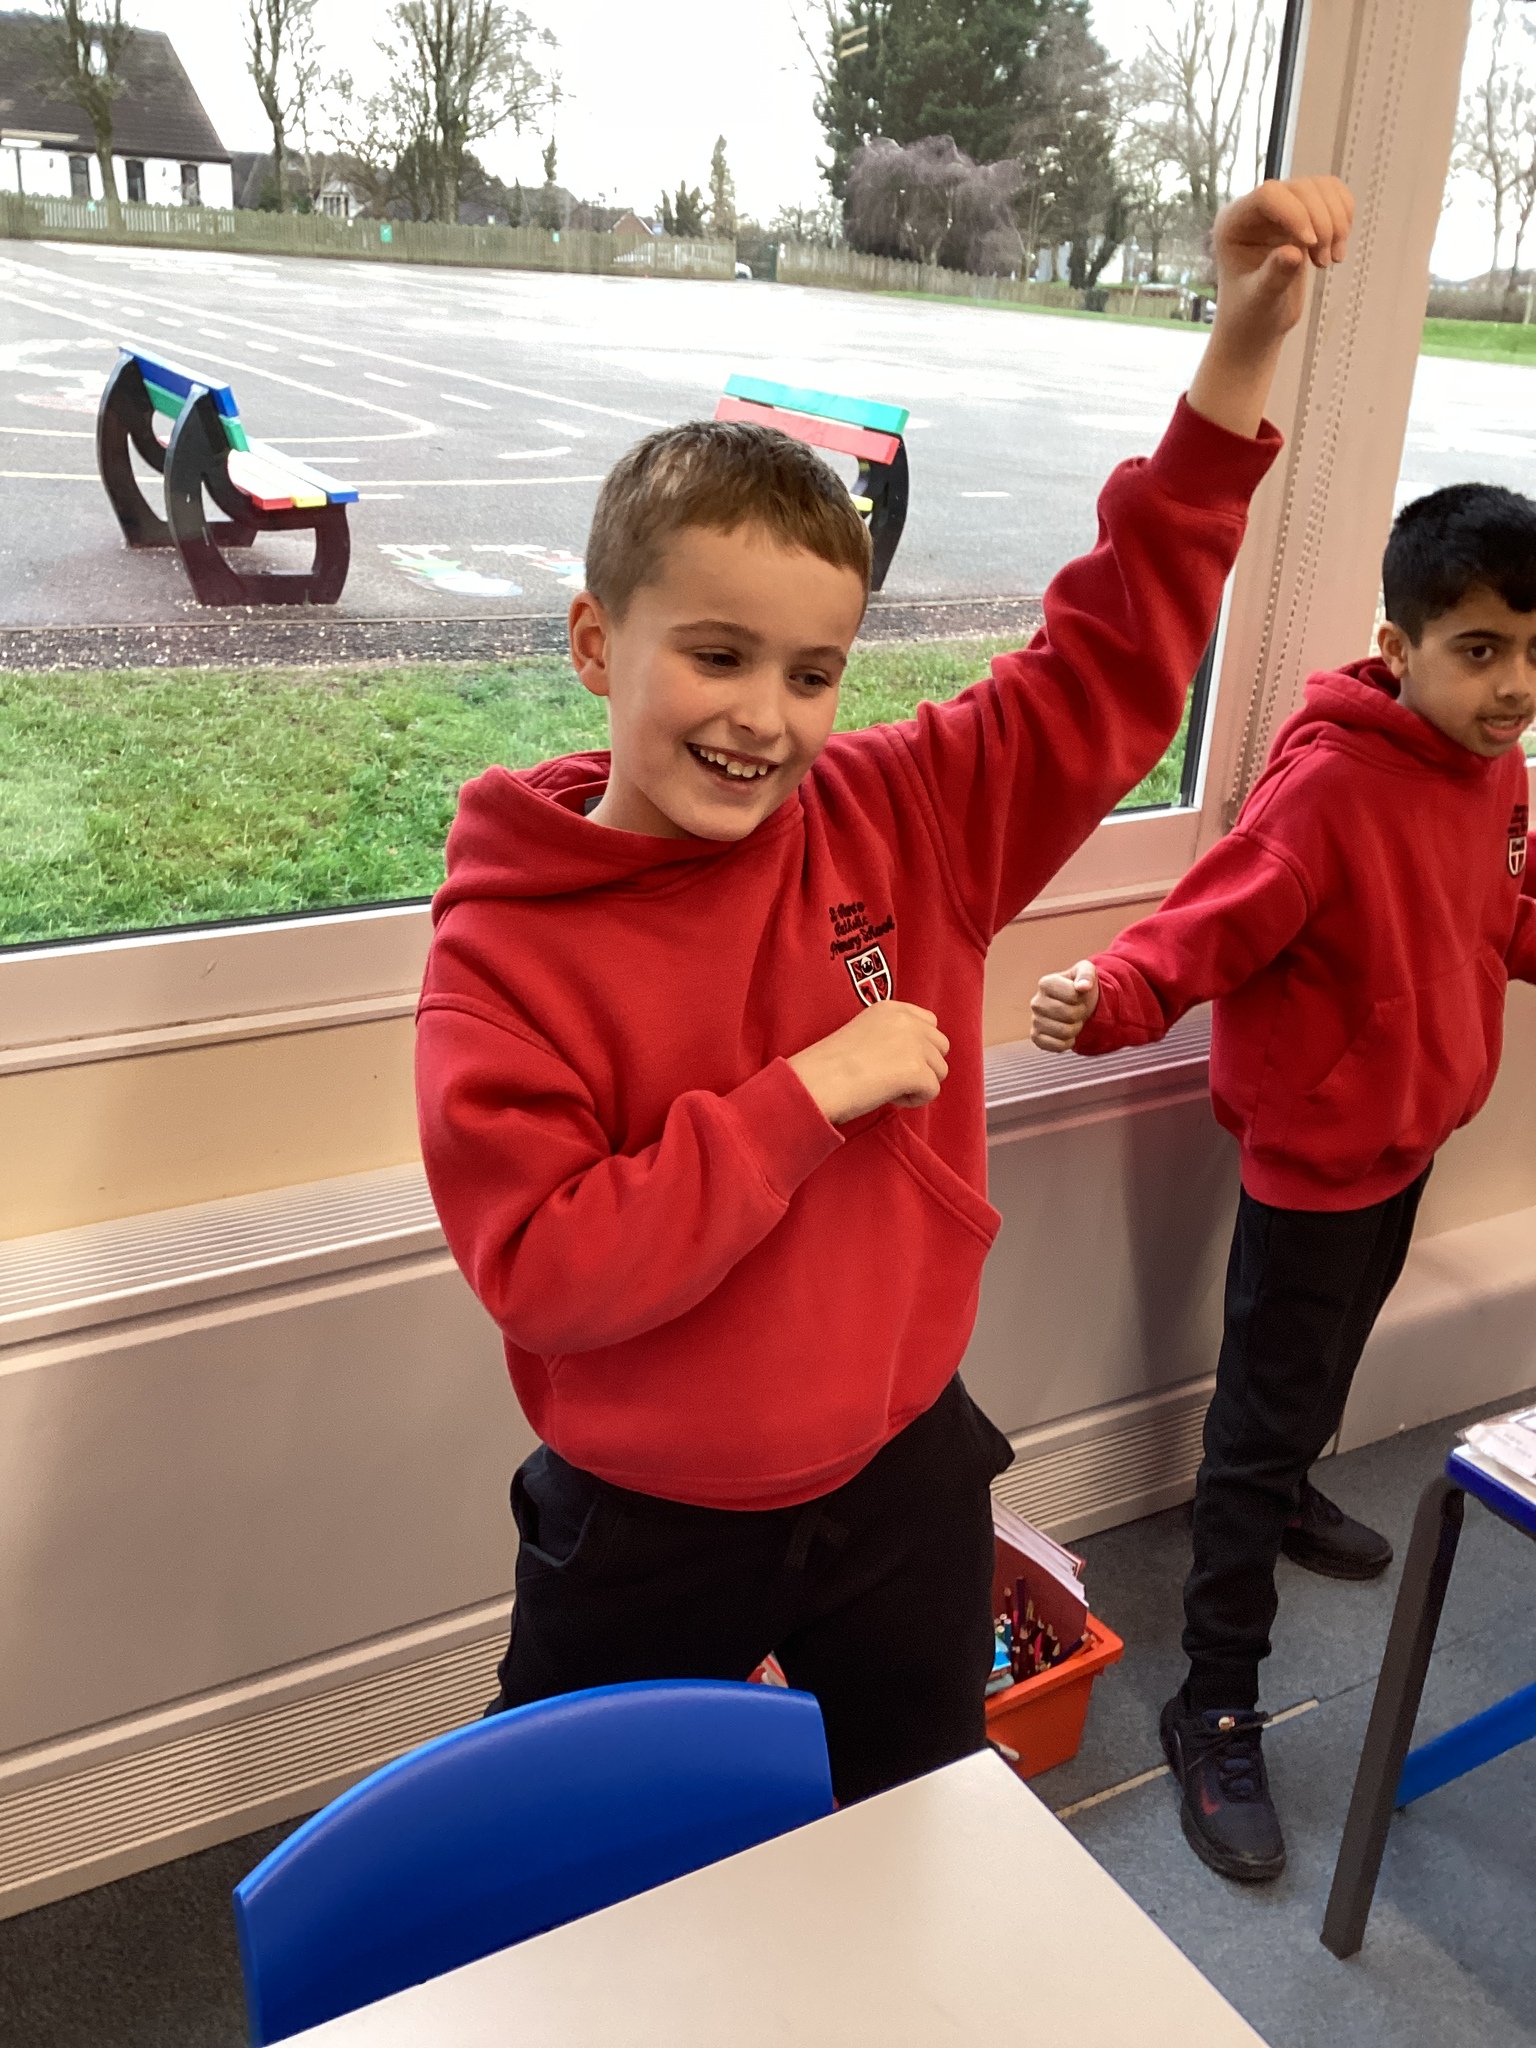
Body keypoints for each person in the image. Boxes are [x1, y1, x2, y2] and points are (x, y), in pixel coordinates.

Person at [415, 176, 1352, 1807]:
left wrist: (1237, 355)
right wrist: (807, 1096)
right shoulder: (506, 944)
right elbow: (551, 1273)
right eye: (716, 655)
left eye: (813, 672)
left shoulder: (903, 815)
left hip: (903, 1476)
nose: (764, 718)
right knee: (586, 1871)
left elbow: (1111, 656)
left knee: (925, 1821)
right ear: (595, 644)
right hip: (647, 1527)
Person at [1030, 479, 1536, 1880]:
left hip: (1410, 1136)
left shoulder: (1495, 767)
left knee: (1328, 1364)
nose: (1514, 687)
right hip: (1314, 1163)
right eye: (1481, 650)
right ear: (1399, 646)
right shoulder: (1329, 791)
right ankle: (1215, 1699)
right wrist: (1113, 991)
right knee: (1253, 1428)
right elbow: (1208, 924)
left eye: (1535, 653)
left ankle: (1298, 1480)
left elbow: (1501, 909)